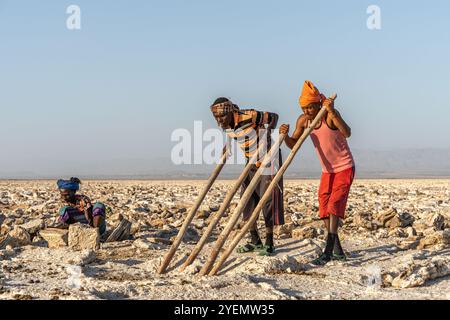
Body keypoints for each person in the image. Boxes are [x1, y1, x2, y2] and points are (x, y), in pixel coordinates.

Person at [279, 81, 355, 265]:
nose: (307, 112)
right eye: (304, 108)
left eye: (310, 108)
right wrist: (285, 136)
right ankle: (337, 251)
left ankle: (328, 251)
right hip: (327, 171)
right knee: (324, 206)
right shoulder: (304, 120)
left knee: (334, 205)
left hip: (344, 167)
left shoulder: (328, 116)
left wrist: (333, 113)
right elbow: (294, 145)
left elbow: (347, 132)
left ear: (317, 104)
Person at [210, 97, 284, 256]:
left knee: (267, 198)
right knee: (247, 199)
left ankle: (269, 243)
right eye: (216, 118)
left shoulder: (249, 115)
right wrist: (227, 146)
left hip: (268, 157)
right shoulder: (226, 125)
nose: (219, 121)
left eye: (222, 117)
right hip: (250, 160)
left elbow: (274, 117)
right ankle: (255, 240)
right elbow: (233, 133)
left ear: (230, 112)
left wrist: (265, 135)